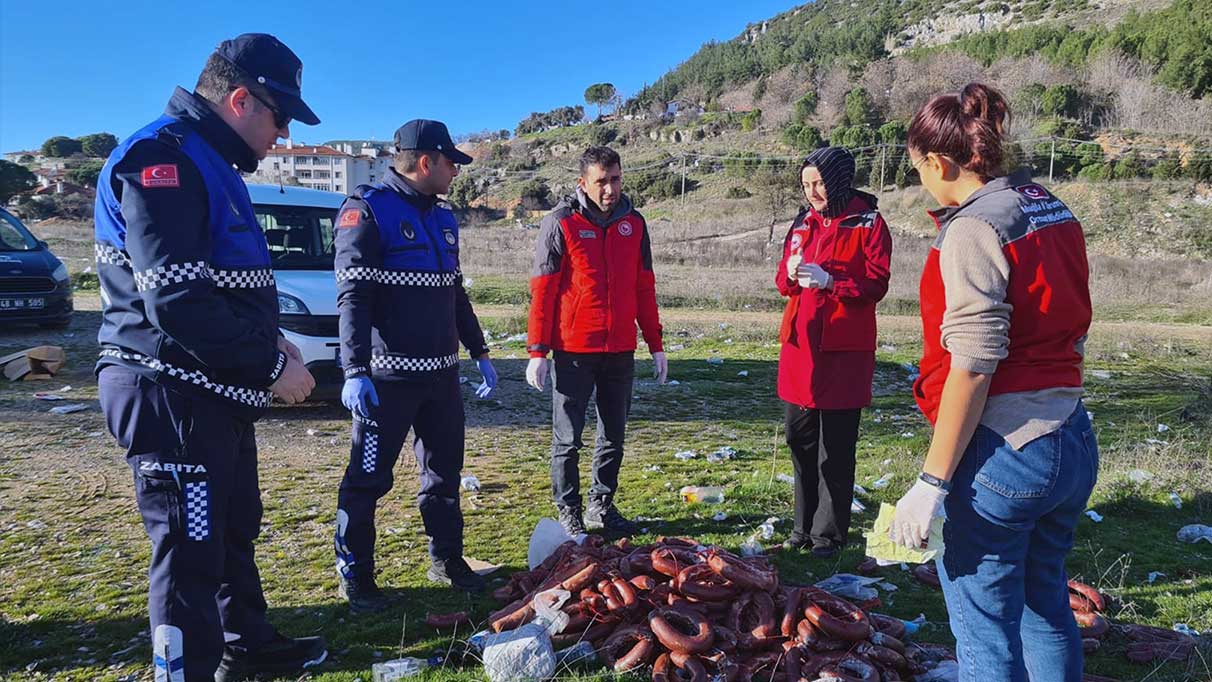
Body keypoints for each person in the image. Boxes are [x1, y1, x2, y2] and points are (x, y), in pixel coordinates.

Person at [93, 33, 326, 681]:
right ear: (241, 99)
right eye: (280, 118)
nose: (282, 135)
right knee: (189, 551)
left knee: (229, 529)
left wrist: (270, 340)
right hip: (170, 391)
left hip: (212, 389)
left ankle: (243, 647)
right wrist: (274, 366)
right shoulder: (160, 160)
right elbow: (177, 301)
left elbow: (223, 283)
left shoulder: (209, 162)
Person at [889, 82, 1097, 681]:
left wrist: (931, 481)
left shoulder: (974, 228)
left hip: (1006, 453)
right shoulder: (1046, 204)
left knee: (985, 635)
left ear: (938, 162)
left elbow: (975, 364)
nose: (922, 183)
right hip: (1072, 434)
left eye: (919, 170)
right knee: (1045, 606)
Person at [332, 119, 497, 612]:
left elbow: (455, 293)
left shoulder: (445, 218)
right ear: (426, 162)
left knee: (444, 474)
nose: (455, 173)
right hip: (387, 379)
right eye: (451, 163)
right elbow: (353, 297)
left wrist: (480, 351)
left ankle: (447, 558)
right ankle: (355, 574)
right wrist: (354, 369)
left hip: (441, 378)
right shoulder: (368, 212)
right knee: (367, 480)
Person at [525, 145, 667, 537]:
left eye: (616, 179)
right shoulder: (561, 223)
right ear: (583, 183)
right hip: (573, 350)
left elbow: (644, 288)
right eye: (601, 181)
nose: (610, 189)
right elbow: (544, 291)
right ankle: (567, 508)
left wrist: (655, 344)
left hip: (620, 350)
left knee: (613, 436)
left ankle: (601, 506)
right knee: (568, 439)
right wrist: (538, 351)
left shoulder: (634, 225)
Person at [775, 147, 892, 557]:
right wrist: (789, 276)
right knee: (799, 440)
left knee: (835, 449)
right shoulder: (803, 221)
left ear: (838, 180)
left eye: (819, 183)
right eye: (806, 185)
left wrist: (832, 281)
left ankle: (828, 535)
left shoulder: (869, 222)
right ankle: (801, 528)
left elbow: (877, 284)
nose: (812, 193)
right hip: (800, 349)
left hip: (843, 350)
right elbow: (782, 280)